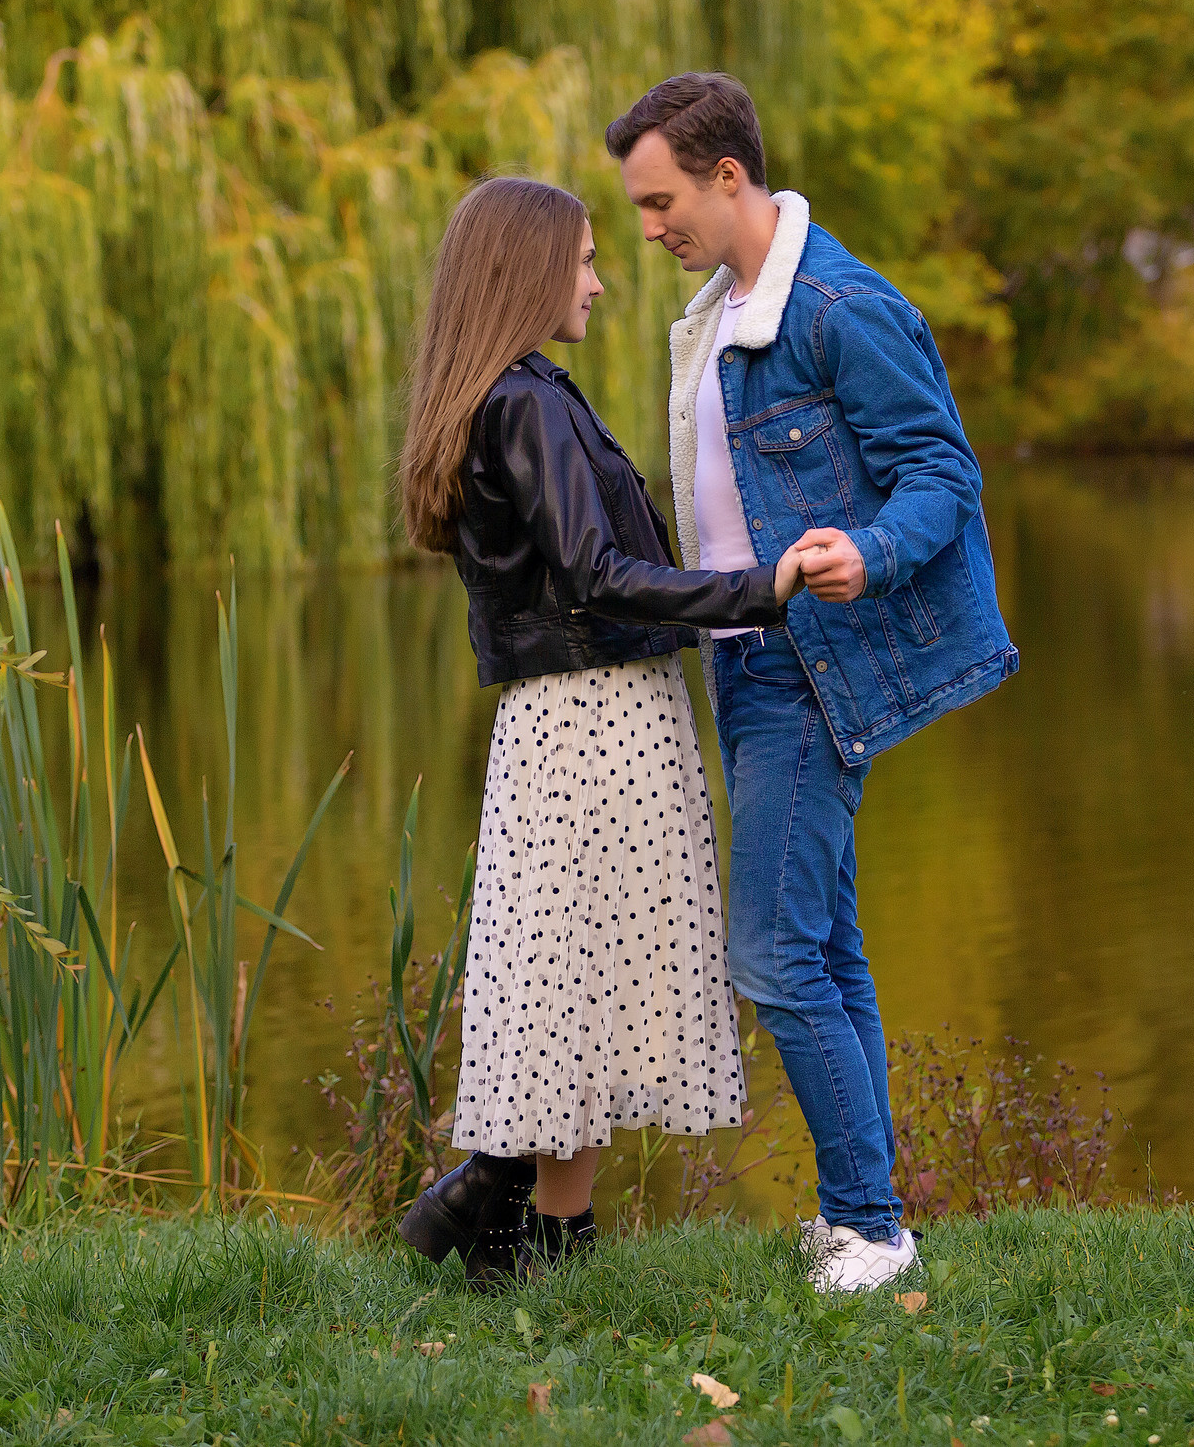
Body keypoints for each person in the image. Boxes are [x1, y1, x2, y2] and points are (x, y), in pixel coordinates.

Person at [606, 72, 1019, 1293]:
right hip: (745, 659)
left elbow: (942, 474)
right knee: (825, 945)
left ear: (728, 177)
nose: (648, 230)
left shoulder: (837, 306)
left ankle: (875, 1231)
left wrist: (870, 551)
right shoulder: (720, 311)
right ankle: (865, 1218)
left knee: (777, 954)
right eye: (635, 208)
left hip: (808, 661)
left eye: (660, 199)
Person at [392, 174, 809, 1289]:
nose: (599, 275)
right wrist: (757, 592)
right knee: (575, 977)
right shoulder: (524, 404)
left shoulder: (518, 392)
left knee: (581, 979)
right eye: (581, 258)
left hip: (579, 713)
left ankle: (540, 1239)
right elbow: (599, 576)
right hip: (595, 719)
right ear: (527, 271)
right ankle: (490, 1197)